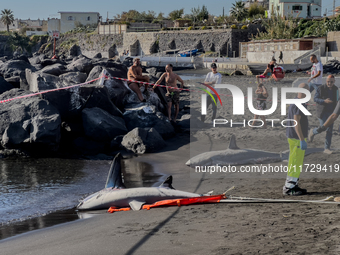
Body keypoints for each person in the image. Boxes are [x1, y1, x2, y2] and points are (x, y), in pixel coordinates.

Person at [283, 83, 309, 196]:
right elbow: (296, 122)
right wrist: (302, 139)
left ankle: (294, 184)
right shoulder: (299, 104)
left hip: (293, 136)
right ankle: (289, 187)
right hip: (296, 138)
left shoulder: (295, 101)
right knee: (295, 161)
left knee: (296, 162)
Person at [308, 75, 339, 154]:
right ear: (326, 81)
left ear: (334, 81)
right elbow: (315, 99)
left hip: (332, 112)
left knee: (330, 130)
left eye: (331, 82)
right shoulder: (320, 88)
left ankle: (327, 148)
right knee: (323, 127)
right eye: (328, 81)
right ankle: (313, 131)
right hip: (322, 111)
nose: (329, 83)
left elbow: (338, 99)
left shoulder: (336, 89)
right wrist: (324, 101)